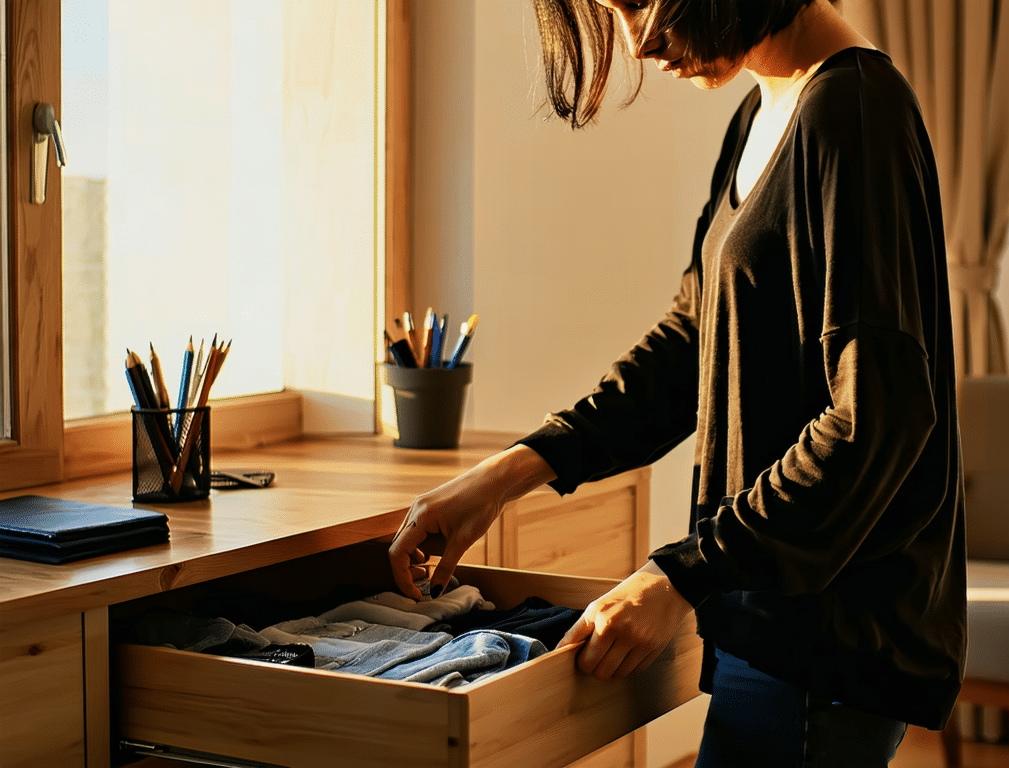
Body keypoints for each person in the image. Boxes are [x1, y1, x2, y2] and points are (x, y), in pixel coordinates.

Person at [388, 1, 966, 765]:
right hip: (763, 616)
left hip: (820, 640)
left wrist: (680, 576)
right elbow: (692, 343)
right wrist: (511, 472)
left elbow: (873, 423)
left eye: (637, 2)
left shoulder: (855, 113)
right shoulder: (766, 111)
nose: (639, 41)